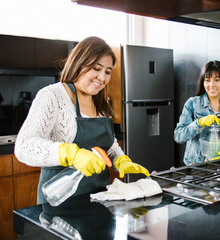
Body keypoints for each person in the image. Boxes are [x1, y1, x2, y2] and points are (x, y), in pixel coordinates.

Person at [14, 36, 149, 204]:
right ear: (79, 63)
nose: (102, 78)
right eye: (96, 68)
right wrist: (71, 154)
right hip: (59, 201)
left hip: (100, 199)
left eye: (107, 72)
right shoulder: (53, 95)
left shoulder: (100, 103)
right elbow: (24, 147)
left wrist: (120, 160)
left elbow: (109, 147)